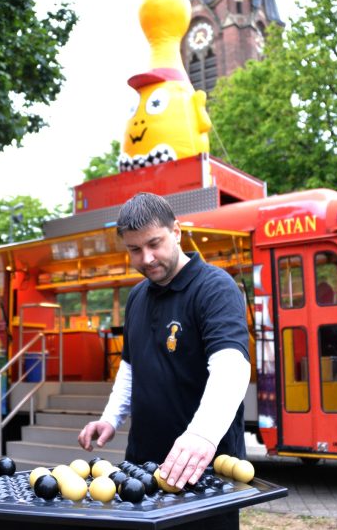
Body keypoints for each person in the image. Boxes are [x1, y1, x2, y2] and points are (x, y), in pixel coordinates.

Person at [78, 192, 251, 529]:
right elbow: (131, 367)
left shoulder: (215, 287)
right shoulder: (137, 296)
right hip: (141, 470)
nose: (147, 258)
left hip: (204, 472)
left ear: (177, 232)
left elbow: (232, 365)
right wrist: (110, 418)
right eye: (134, 250)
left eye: (154, 243)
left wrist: (201, 435)